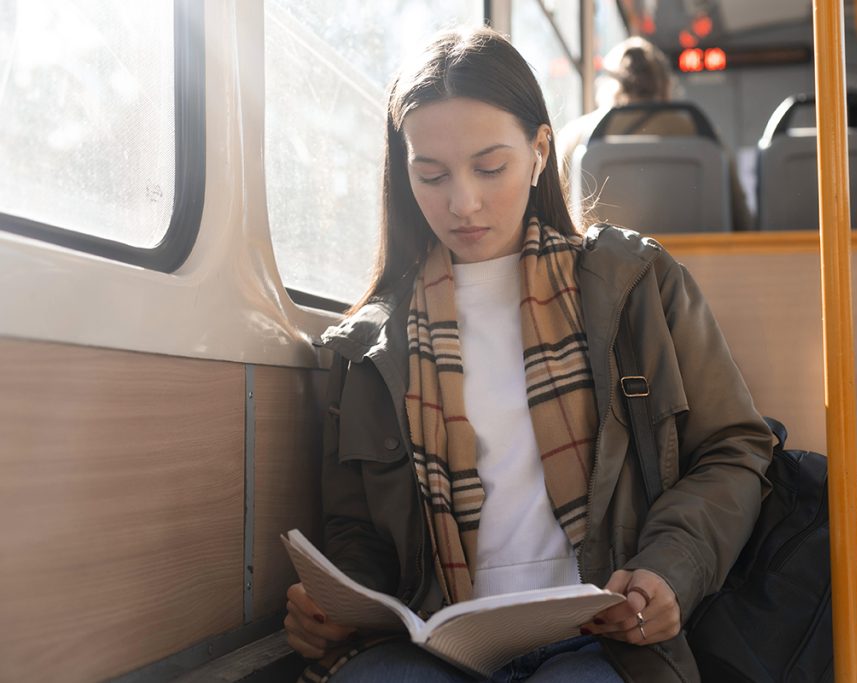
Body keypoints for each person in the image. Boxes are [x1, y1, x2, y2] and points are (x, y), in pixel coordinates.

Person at [283, 26, 771, 683]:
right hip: (437, 640)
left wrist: (668, 571)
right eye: (431, 174)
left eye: (491, 168)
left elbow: (734, 446)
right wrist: (338, 605)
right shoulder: (370, 343)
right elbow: (355, 530)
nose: (464, 203)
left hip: (602, 639)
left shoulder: (636, 286)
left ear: (540, 151)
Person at [558, 36, 754, 231]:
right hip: (701, 261)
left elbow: (555, 216)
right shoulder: (703, 135)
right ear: (665, 84)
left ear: (607, 84)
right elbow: (741, 220)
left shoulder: (575, 137)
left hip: (599, 262)